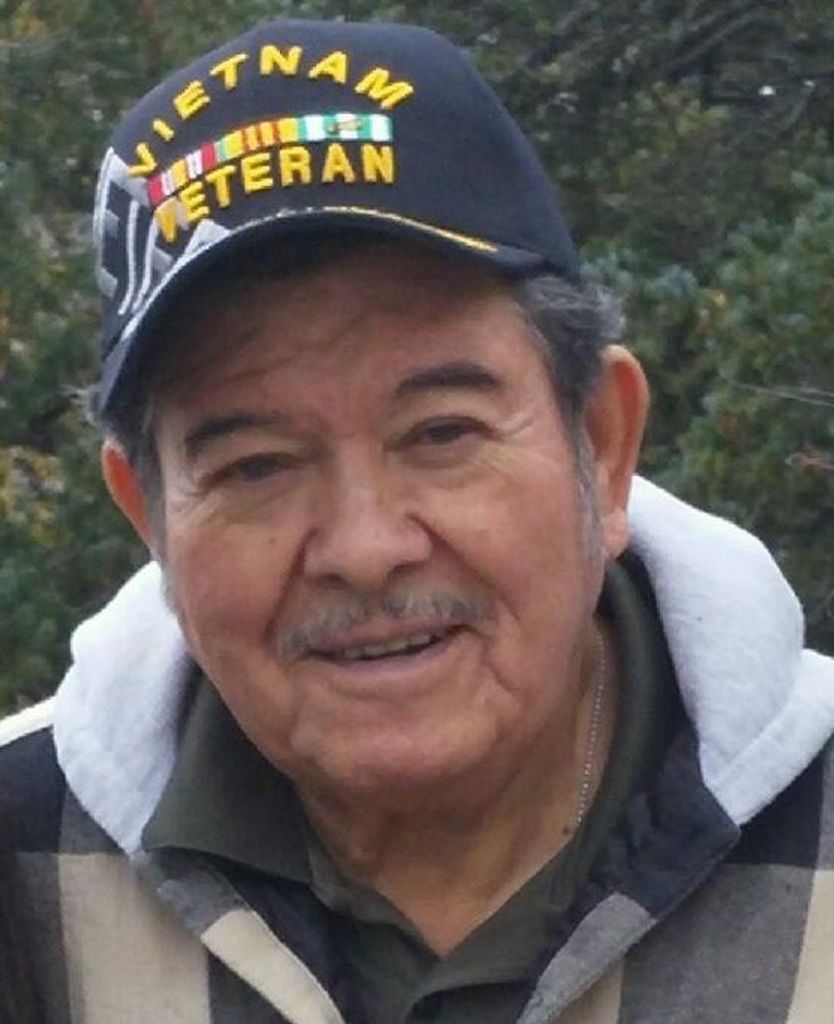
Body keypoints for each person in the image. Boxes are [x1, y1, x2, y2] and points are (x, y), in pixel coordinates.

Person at [1, 17, 833, 1024]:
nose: (364, 548)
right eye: (257, 465)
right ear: (152, 517)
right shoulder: (25, 865)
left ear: (602, 447)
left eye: (441, 433)